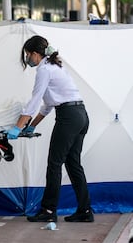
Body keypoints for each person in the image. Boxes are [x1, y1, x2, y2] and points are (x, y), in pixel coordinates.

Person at [5, 35, 93, 223]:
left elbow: (35, 100)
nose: (28, 59)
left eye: (29, 54)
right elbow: (47, 105)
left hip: (68, 118)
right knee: (73, 164)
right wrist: (32, 126)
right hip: (80, 115)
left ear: (36, 54)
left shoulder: (44, 70)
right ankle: (85, 211)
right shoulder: (56, 66)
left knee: (54, 164)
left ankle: (48, 210)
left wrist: (17, 127)